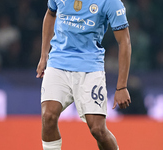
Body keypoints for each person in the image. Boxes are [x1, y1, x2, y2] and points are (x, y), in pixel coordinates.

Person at [36, 0, 131, 149]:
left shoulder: (110, 2)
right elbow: (50, 14)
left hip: (90, 68)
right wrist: (44, 56)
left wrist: (121, 87)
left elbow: (124, 41)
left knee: (98, 130)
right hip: (58, 62)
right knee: (48, 116)